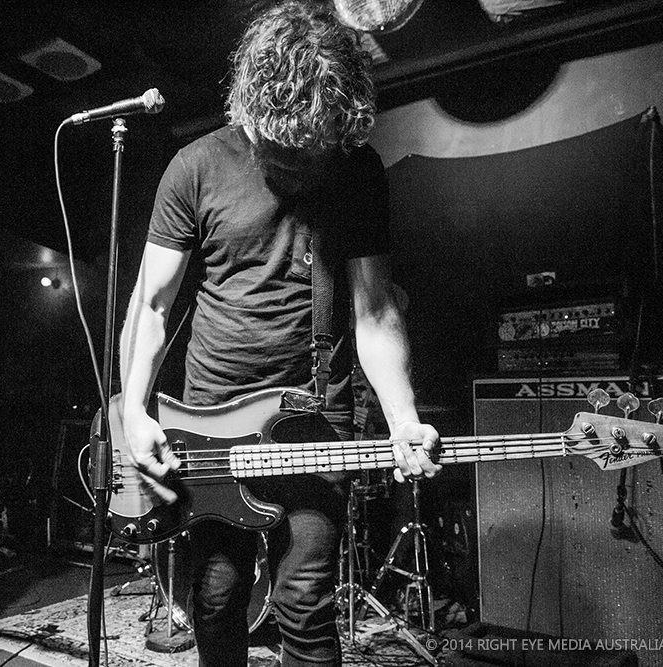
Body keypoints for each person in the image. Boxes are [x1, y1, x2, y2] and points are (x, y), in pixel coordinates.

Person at [118, 3, 441, 666]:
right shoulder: (195, 167)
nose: (301, 162)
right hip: (209, 421)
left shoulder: (357, 171)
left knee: (306, 601)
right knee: (217, 596)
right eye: (285, 146)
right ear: (252, 108)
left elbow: (375, 310)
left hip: (315, 417)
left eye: (316, 146)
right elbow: (150, 305)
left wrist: (402, 416)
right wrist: (133, 410)